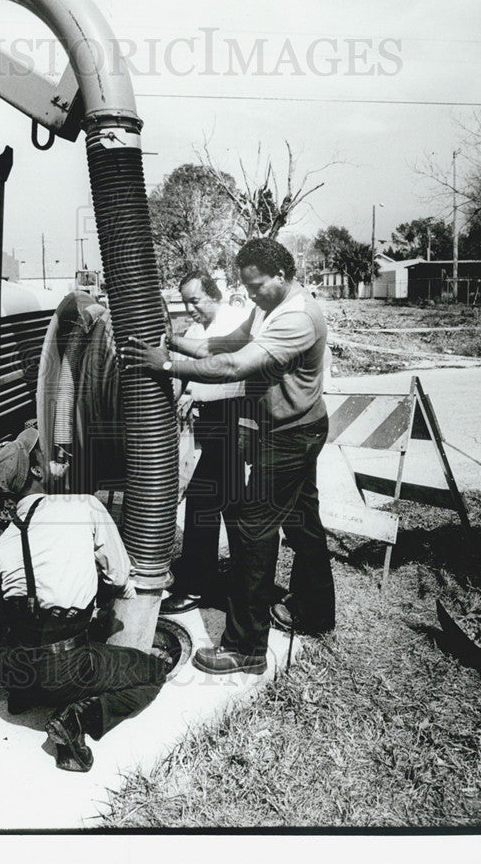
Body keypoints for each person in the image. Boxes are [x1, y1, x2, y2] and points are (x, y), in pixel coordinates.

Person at [121, 238, 333, 676]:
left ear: (282, 274)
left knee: (252, 530)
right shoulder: (269, 308)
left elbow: (235, 367)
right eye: (246, 287)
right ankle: (316, 612)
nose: (250, 294)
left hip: (289, 436)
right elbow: (223, 346)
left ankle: (246, 648)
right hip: (297, 427)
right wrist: (176, 345)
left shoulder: (297, 316)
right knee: (301, 521)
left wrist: (163, 366)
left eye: (256, 286)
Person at [0, 427, 168, 772]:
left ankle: (24, 697)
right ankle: (77, 721)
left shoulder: (4, 542)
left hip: (11, 667)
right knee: (153, 673)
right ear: (37, 472)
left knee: (36, 629)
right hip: (63, 669)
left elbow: (9, 606)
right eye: (39, 455)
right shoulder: (82, 506)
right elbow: (118, 574)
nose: (45, 455)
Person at [161, 270, 247, 615]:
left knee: (212, 503)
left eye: (195, 300)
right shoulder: (195, 332)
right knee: (213, 503)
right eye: (184, 302)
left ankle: (200, 584)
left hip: (235, 418)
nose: (190, 308)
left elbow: (227, 370)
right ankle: (219, 578)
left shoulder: (236, 322)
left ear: (215, 294)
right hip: (206, 420)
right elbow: (182, 373)